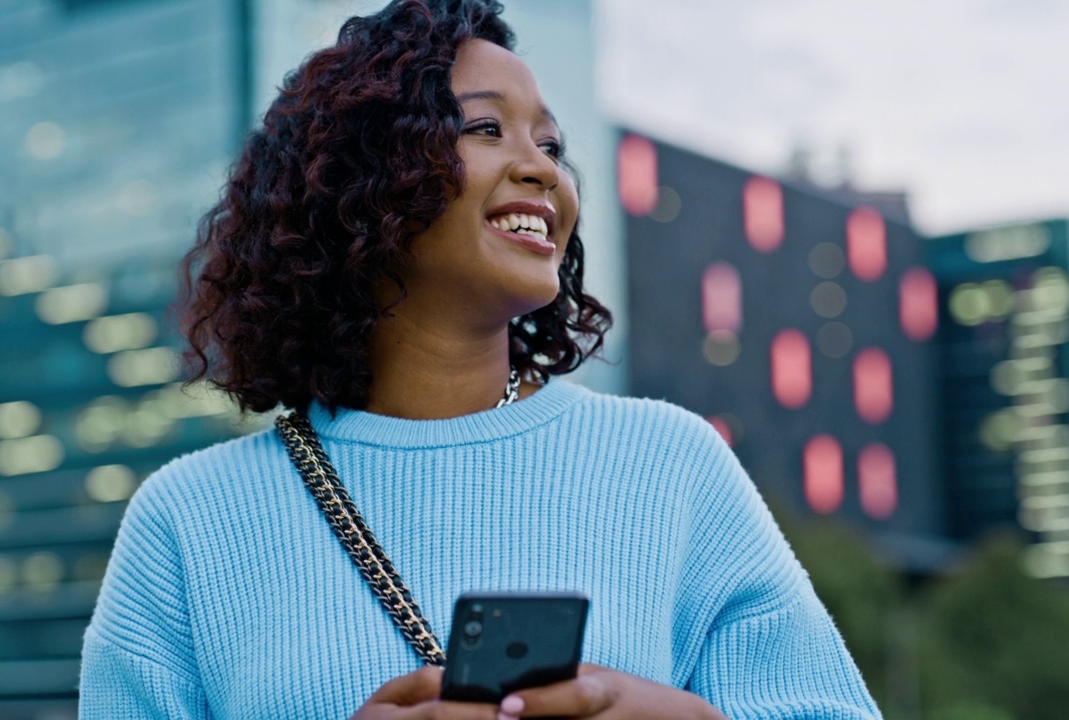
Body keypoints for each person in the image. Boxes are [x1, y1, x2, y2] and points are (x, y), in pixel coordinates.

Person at [78, 1, 881, 718]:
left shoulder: (671, 465)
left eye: (553, 143)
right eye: (486, 128)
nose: (542, 169)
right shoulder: (188, 522)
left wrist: (649, 711)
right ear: (359, 184)